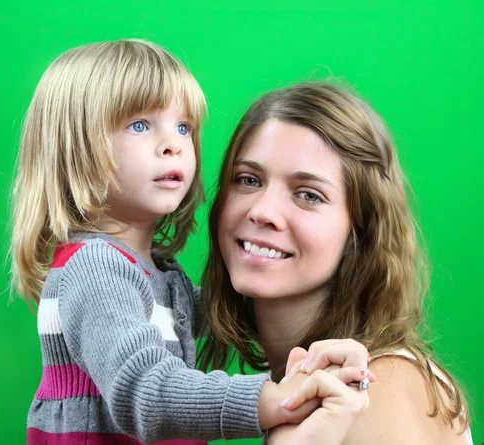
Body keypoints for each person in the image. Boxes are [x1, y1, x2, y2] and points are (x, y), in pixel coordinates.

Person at [10, 40, 371, 445]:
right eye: (139, 125)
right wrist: (274, 398)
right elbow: (146, 392)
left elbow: (220, 309)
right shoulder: (95, 269)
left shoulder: (154, 274)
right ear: (73, 150)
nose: (174, 144)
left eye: (183, 127)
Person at [198, 81, 473, 444]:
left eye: (308, 194)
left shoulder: (379, 387)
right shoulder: (309, 392)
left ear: (359, 231)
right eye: (249, 180)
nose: (262, 211)